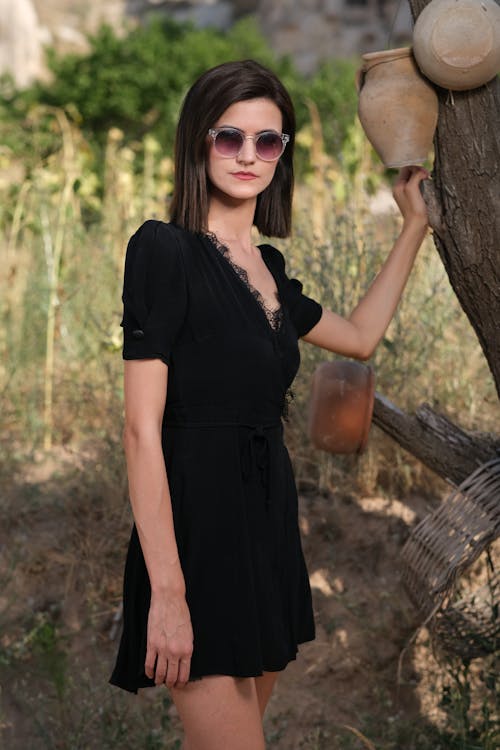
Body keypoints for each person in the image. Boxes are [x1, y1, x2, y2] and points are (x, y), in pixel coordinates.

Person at [110, 59, 429, 749]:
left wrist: (414, 227)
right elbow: (141, 430)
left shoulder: (270, 273)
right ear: (199, 141)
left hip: (266, 527)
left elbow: (361, 336)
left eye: (268, 141)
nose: (249, 156)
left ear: (282, 155)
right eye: (230, 138)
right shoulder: (163, 252)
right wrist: (168, 592)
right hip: (197, 539)